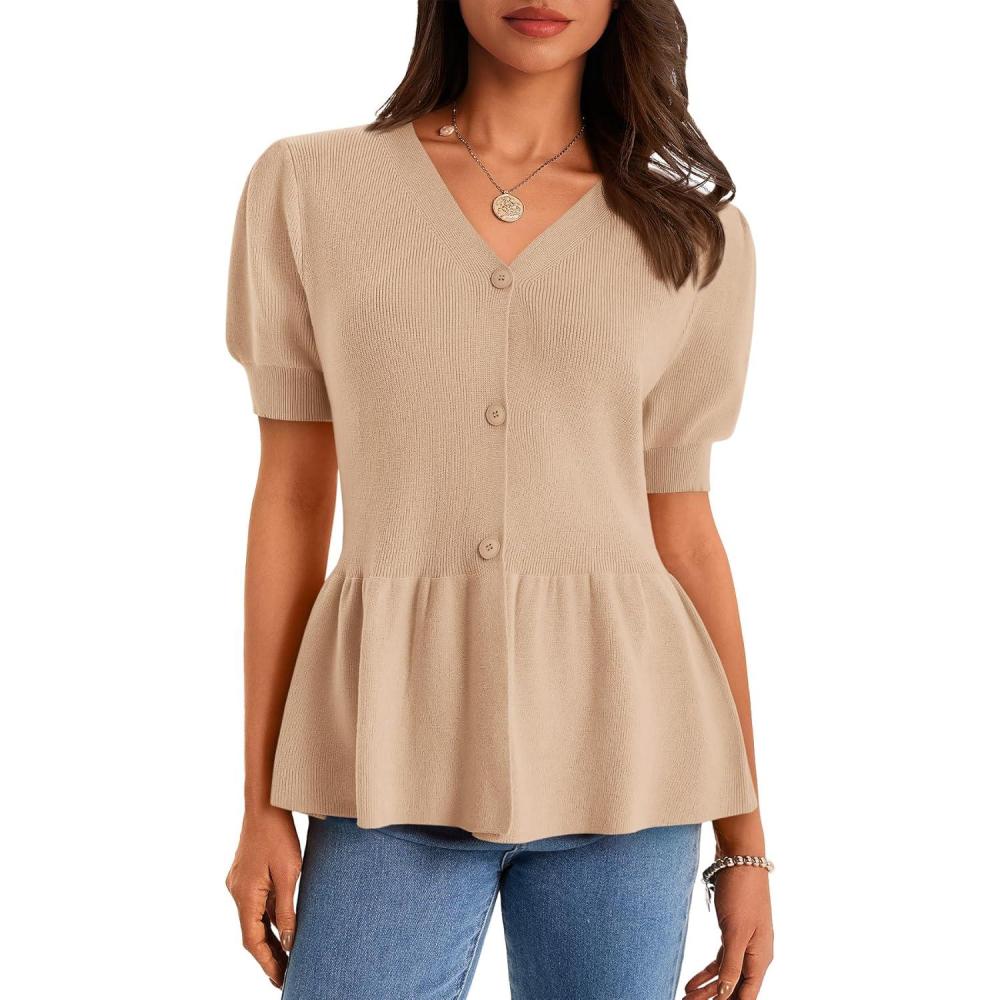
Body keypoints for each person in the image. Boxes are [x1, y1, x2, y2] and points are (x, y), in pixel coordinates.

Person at [223, 2, 774, 997]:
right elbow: (294, 498)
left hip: (633, 761)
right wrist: (261, 800)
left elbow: (686, 536)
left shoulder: (697, 236)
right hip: (386, 760)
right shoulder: (309, 188)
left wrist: (744, 844)